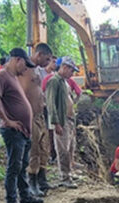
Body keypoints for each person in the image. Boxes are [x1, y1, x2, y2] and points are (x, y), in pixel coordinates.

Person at [0, 48, 43, 203]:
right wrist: (8, 120)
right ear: (17, 60)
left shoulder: (14, 77)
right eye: (25, 65)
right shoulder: (2, 76)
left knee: (22, 165)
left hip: (23, 131)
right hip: (13, 131)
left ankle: (24, 196)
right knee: (14, 166)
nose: (25, 69)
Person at [18, 43, 53, 197]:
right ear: (38, 54)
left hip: (40, 116)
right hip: (30, 115)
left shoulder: (36, 70)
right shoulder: (24, 70)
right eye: (46, 59)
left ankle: (41, 178)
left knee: (44, 148)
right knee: (34, 150)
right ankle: (31, 182)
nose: (48, 63)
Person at [45, 56, 79, 188]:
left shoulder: (64, 81)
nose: (72, 73)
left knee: (70, 148)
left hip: (69, 120)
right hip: (62, 120)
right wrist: (56, 123)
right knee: (63, 149)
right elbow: (51, 103)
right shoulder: (54, 81)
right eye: (71, 70)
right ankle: (64, 177)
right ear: (64, 67)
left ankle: (69, 173)